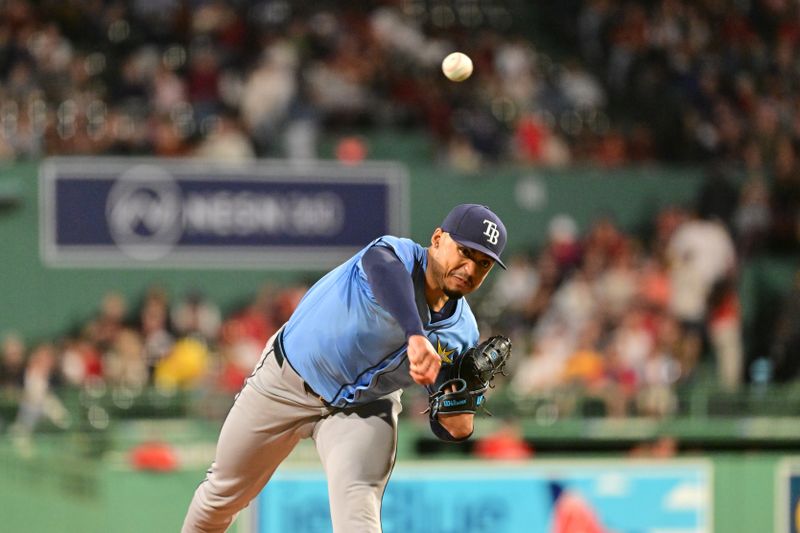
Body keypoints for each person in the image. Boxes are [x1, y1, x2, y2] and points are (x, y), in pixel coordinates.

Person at [182, 204, 508, 532]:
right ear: (437, 239)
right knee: (220, 497)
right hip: (287, 381)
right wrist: (415, 334)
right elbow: (384, 273)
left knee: (359, 514)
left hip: (363, 407)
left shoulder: (463, 332)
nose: (469, 268)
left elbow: (448, 424)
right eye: (464, 251)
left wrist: (460, 412)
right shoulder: (395, 254)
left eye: (483, 264)